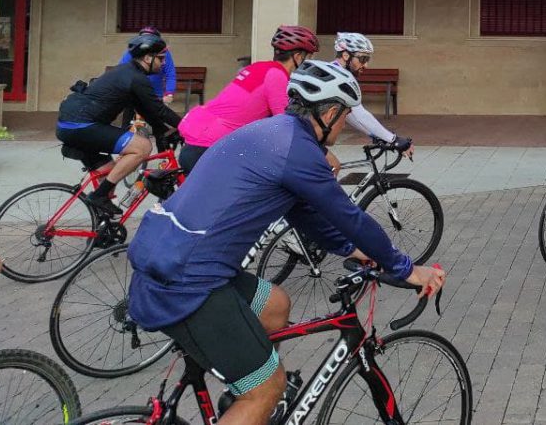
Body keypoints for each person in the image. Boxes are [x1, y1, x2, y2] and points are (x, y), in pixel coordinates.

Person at [127, 60, 445, 425]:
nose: (344, 127)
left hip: (172, 258)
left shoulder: (274, 131)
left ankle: (243, 403)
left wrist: (352, 250)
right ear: (328, 112)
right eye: (345, 117)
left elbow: (302, 213)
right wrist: (404, 268)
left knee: (276, 306)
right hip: (185, 280)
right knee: (267, 388)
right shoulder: (299, 151)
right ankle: (254, 399)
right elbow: (350, 215)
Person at [57, 33, 182, 217]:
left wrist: (162, 131)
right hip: (81, 126)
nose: (163, 63)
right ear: (148, 58)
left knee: (110, 170)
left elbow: (148, 110)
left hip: (69, 125)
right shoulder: (135, 78)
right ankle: (99, 196)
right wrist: (188, 125)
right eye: (161, 58)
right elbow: (160, 110)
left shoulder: (127, 73)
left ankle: (102, 225)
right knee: (142, 147)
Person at [178, 25, 318, 174]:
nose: (309, 63)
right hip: (212, 150)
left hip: (197, 141)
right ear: (297, 57)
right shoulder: (277, 76)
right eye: (308, 58)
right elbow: (286, 126)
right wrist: (320, 152)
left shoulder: (257, 68)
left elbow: (248, 109)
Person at [333, 33, 412, 153]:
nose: (366, 65)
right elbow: (359, 115)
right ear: (345, 55)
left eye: (367, 59)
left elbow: (350, 114)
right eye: (363, 59)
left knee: (332, 166)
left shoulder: (335, 72)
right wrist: (393, 139)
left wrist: (375, 134)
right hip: (303, 137)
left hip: (307, 136)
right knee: (331, 167)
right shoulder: (339, 78)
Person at [118, 26, 177, 105]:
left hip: (155, 94)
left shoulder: (163, 53)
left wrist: (169, 93)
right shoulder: (132, 52)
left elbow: (170, 74)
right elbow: (122, 71)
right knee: (130, 116)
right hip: (134, 94)